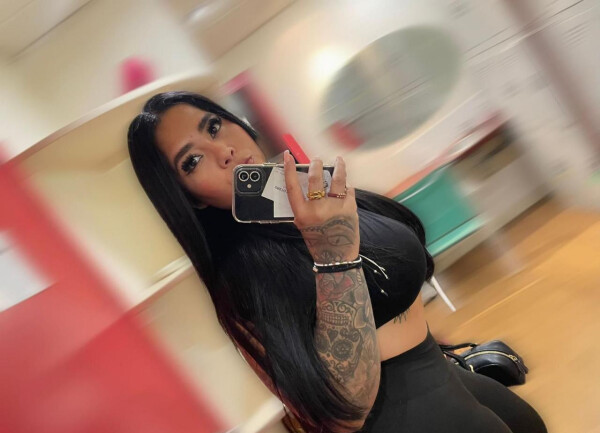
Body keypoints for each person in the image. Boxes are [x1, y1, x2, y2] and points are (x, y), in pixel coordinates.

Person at [127, 91, 547, 433]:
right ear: (192, 198)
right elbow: (345, 410)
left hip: (445, 373)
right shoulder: (243, 274)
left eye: (214, 126)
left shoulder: (311, 197)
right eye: (192, 161)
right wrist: (333, 254)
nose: (223, 151)